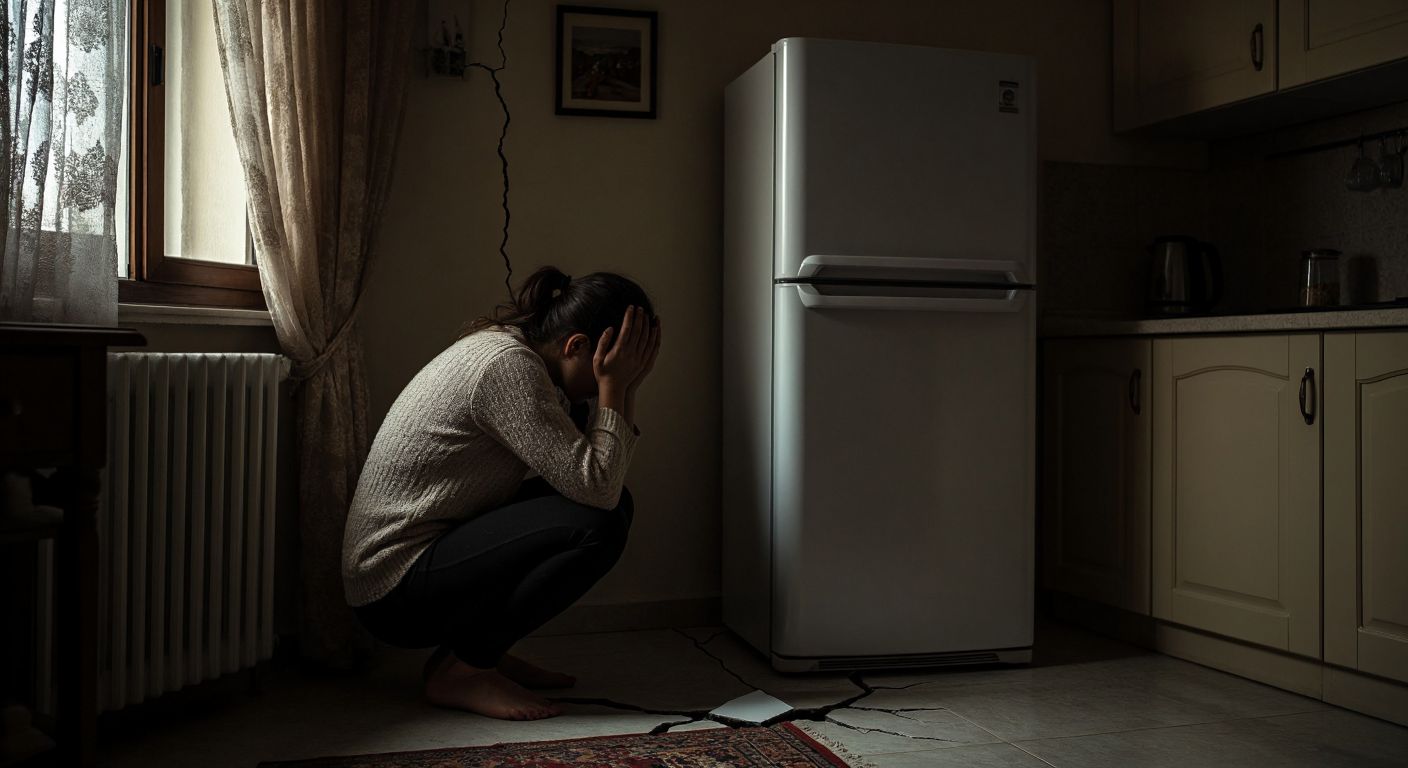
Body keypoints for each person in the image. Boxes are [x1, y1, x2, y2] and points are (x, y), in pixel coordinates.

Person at [342, 266, 661, 721]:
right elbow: (598, 488)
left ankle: (475, 652)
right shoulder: (507, 367)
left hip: (431, 553)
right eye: (607, 369)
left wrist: (618, 384)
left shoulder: (521, 353)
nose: (603, 388)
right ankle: (464, 669)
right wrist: (618, 387)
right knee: (599, 526)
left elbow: (593, 480)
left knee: (607, 508)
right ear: (576, 347)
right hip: (392, 585)